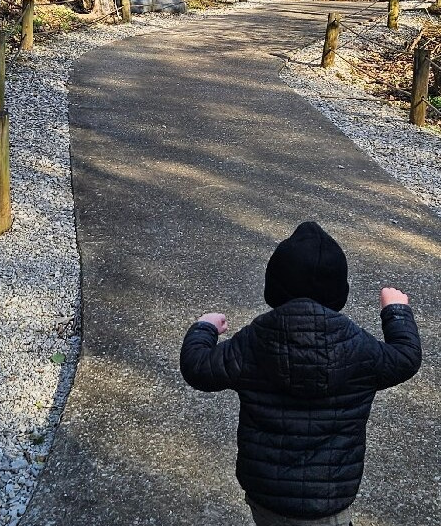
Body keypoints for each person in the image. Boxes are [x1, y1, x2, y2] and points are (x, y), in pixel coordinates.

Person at [180, 221, 422, 526]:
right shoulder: (359, 347)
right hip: (330, 498)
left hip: (266, 494)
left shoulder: (254, 341)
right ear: (339, 294)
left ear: (273, 289)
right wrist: (396, 311)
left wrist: (205, 327)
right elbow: (406, 357)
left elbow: (197, 366)